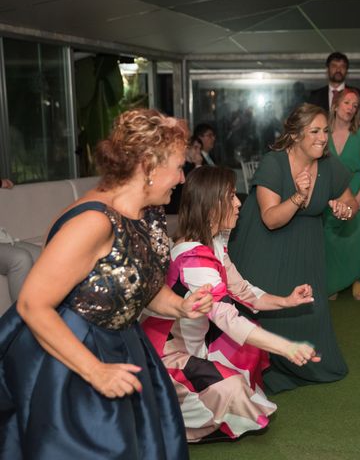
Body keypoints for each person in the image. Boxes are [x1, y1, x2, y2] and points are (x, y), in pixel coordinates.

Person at [0, 109, 215, 458]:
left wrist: (179, 305)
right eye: (177, 167)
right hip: (72, 352)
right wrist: (95, 371)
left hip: (125, 343)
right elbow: (31, 304)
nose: (182, 178)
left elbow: (134, 282)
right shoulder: (93, 223)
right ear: (148, 165)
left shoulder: (146, 211)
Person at [142, 166, 319, 442]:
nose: (238, 203)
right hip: (165, 355)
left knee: (249, 353)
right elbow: (226, 316)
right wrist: (287, 347)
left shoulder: (214, 242)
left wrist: (286, 301)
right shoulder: (191, 257)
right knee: (235, 391)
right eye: (230, 197)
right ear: (210, 205)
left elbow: (243, 291)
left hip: (197, 344)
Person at [228, 103, 358, 393]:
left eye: (325, 131)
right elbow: (271, 219)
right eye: (314, 131)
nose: (322, 138)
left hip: (306, 247)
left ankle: (303, 360)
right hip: (266, 243)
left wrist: (345, 209)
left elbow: (352, 200)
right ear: (296, 135)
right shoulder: (274, 163)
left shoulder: (328, 165)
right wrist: (299, 196)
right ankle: (262, 365)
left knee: (308, 306)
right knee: (265, 305)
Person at [324, 88, 360, 301]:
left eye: (355, 105)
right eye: (347, 102)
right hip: (333, 193)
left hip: (359, 188)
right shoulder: (323, 132)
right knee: (333, 237)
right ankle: (336, 280)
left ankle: (358, 278)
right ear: (336, 104)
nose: (350, 108)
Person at [0, 178, 41, 309]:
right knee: (20, 259)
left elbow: (8, 184)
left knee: (45, 255)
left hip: (3, 238)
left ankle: (55, 316)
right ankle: (20, 322)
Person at [308, 52, 360, 128]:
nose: (338, 70)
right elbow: (310, 124)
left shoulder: (358, 95)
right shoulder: (315, 96)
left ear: (347, 71)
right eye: (334, 66)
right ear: (327, 69)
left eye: (342, 66)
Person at [166, 136, 203, 214]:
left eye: (200, 149)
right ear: (187, 149)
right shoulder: (181, 167)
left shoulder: (194, 166)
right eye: (195, 148)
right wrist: (198, 165)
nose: (198, 152)